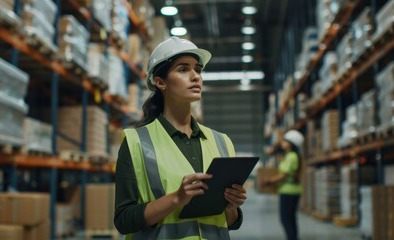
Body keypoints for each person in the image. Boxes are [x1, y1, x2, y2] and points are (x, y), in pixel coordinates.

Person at [114, 36, 247, 240]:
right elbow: (124, 220)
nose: (195, 77)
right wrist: (177, 198)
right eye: (183, 69)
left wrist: (231, 205)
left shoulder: (222, 141)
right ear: (160, 82)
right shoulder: (136, 143)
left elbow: (229, 223)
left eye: (198, 70)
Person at [264, 130, 304, 240]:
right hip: (292, 190)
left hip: (288, 191)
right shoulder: (291, 156)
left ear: (292, 143)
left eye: (286, 140)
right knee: (291, 218)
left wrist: (270, 181)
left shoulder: (291, 156)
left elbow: (283, 175)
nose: (283, 142)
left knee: (285, 219)